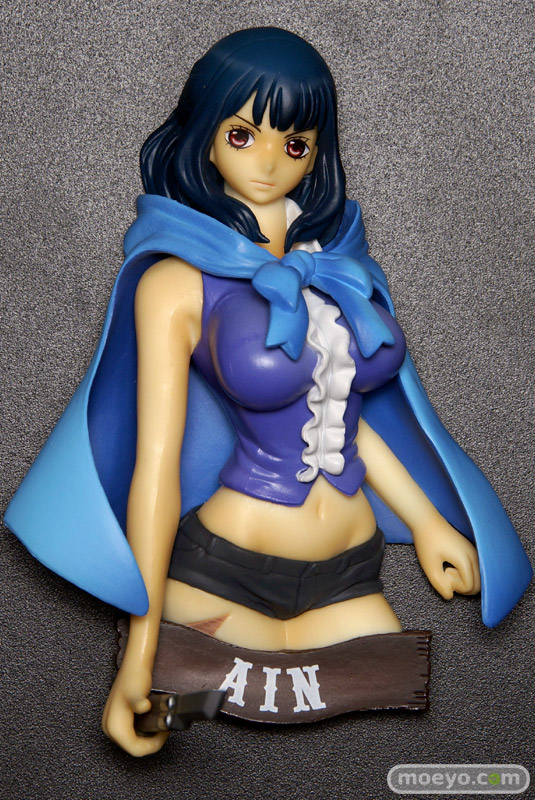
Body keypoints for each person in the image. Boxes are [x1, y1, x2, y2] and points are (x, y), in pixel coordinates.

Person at [5, 28, 531, 756]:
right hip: (225, 571)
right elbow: (155, 469)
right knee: (207, 722)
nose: (268, 161)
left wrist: (429, 524)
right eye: (242, 134)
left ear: (317, 153)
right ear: (205, 135)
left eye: (295, 143)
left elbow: (349, 420)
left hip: (351, 573)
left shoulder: (339, 268)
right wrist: (138, 651)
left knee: (376, 748)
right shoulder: (176, 283)